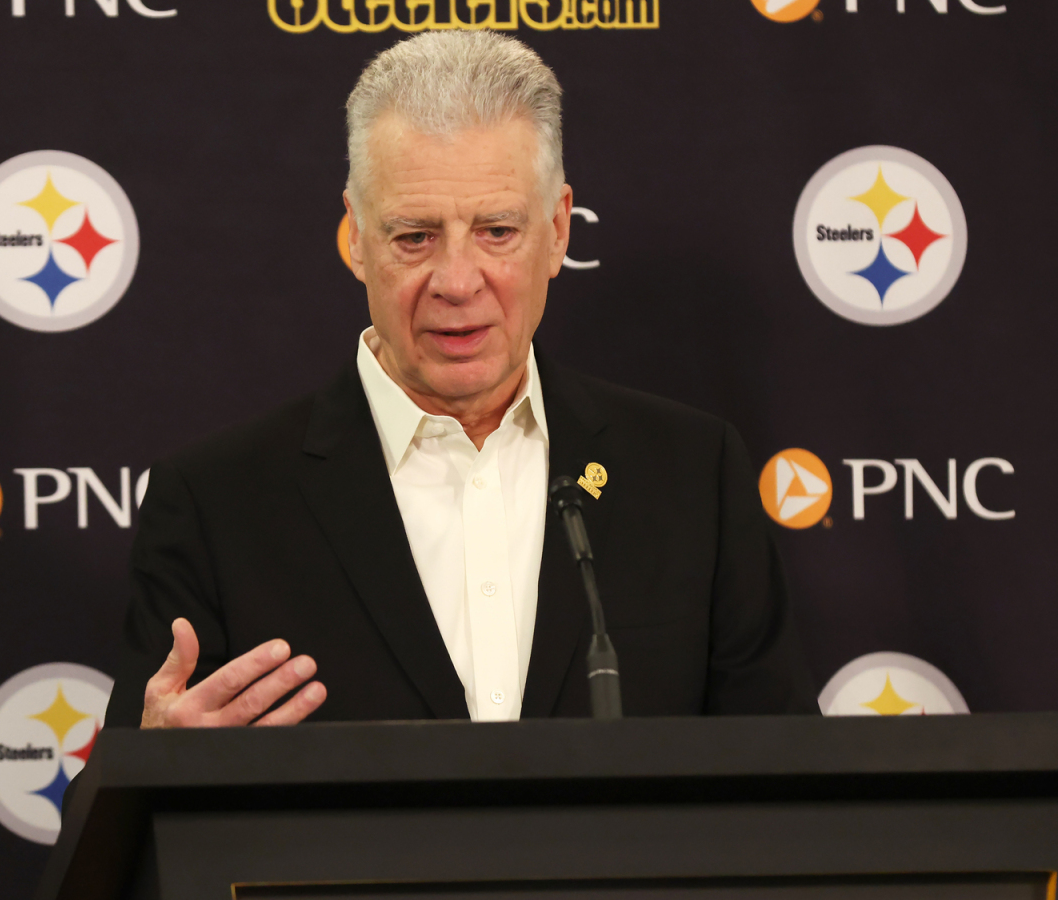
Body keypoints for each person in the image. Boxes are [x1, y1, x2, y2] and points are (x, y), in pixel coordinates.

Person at [105, 31, 815, 730]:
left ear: (559, 230)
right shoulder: (215, 505)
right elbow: (109, 803)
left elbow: (791, 781)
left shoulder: (693, 476)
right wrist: (158, 767)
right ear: (357, 238)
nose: (456, 281)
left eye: (497, 231)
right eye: (415, 236)